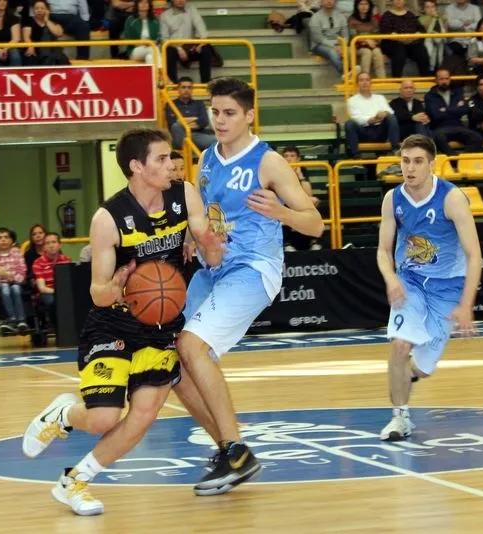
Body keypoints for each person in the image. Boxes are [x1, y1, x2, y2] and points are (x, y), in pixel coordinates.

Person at [20, 128, 225, 516]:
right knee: (101, 419)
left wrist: (211, 245)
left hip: (162, 325)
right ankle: (63, 414)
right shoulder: (108, 218)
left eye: (171, 159)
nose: (172, 166)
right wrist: (117, 286)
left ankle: (74, 481)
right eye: (162, 159)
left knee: (145, 412)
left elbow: (211, 257)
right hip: (112, 322)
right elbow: (97, 292)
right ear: (136, 166)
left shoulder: (184, 195)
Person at [174, 77, 325, 495]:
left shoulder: (268, 161)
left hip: (254, 268)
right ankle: (230, 450)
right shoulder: (205, 158)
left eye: (229, 113)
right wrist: (193, 237)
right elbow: (204, 213)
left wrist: (281, 211)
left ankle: (236, 452)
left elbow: (316, 223)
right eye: (214, 111)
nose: (219, 120)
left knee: (191, 346)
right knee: (171, 362)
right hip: (213, 268)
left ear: (249, 115)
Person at [375, 134, 482, 441]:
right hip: (409, 282)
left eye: (418, 161)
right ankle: (400, 418)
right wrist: (392, 278)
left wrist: (466, 304)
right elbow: (383, 251)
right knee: (399, 344)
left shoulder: (452, 198)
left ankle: (406, 375)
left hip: (448, 287)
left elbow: (475, 256)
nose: (410, 168)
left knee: (422, 367)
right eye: (405, 161)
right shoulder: (392, 199)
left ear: (432, 165)